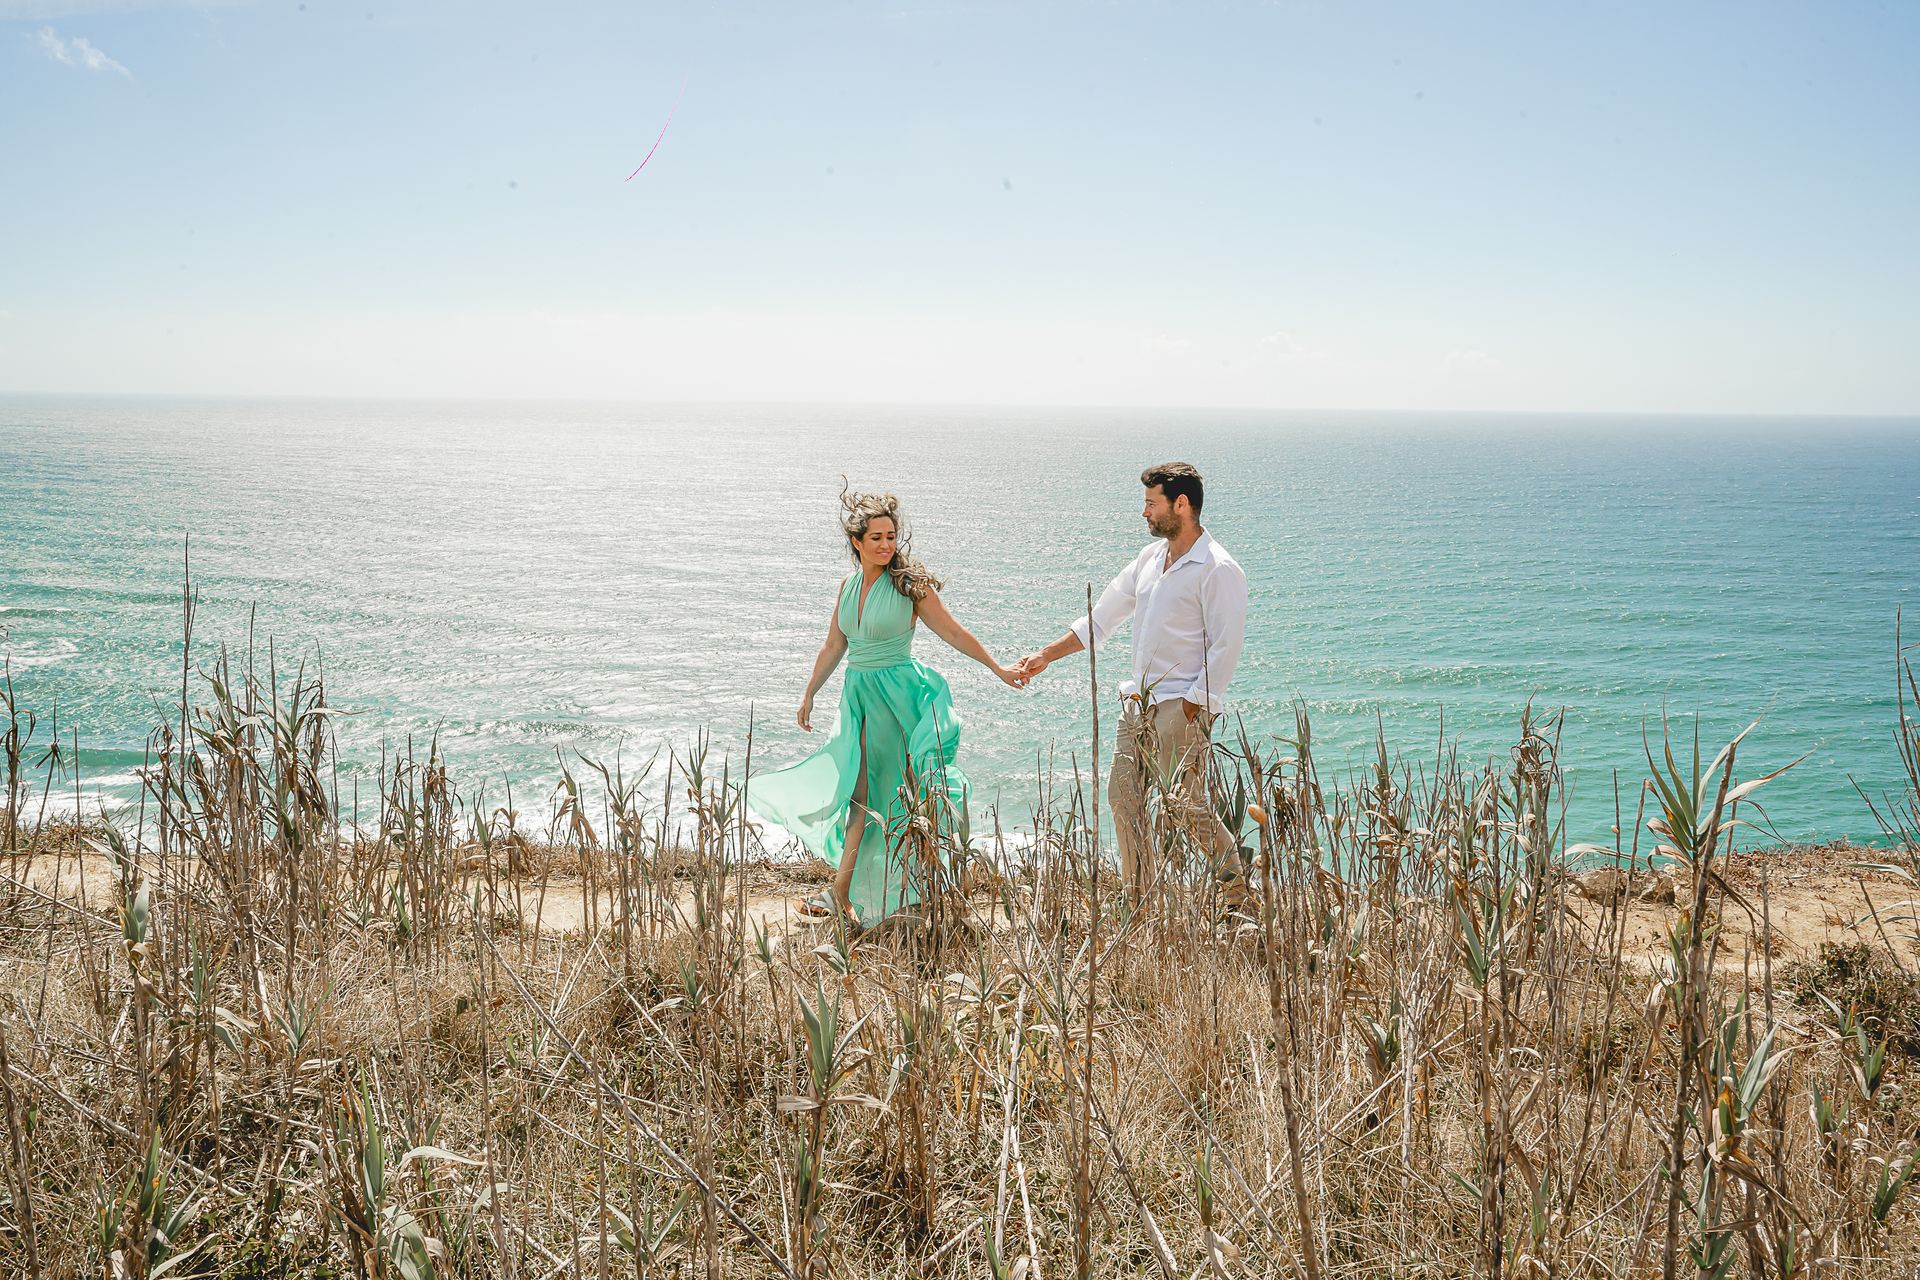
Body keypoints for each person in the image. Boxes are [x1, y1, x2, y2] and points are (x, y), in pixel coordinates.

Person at [749, 486, 1024, 927]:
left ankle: (929, 885)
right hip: (859, 698)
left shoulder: (909, 585)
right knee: (860, 796)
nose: (885, 544)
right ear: (856, 543)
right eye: (876, 537)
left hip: (899, 699)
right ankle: (853, 892)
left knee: (907, 796)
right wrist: (809, 693)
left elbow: (953, 632)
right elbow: (835, 644)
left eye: (891, 535)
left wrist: (997, 668)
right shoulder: (849, 585)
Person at [1013, 462, 1250, 910]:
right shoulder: (1148, 559)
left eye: (1150, 503)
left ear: (1181, 504)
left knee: (1186, 808)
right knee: (1123, 799)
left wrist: (1193, 708)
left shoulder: (1218, 568)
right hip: (1137, 705)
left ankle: (1237, 896)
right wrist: (1046, 654)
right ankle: (1139, 900)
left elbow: (1226, 646)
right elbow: (1100, 619)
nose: (1144, 513)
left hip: (1180, 706)